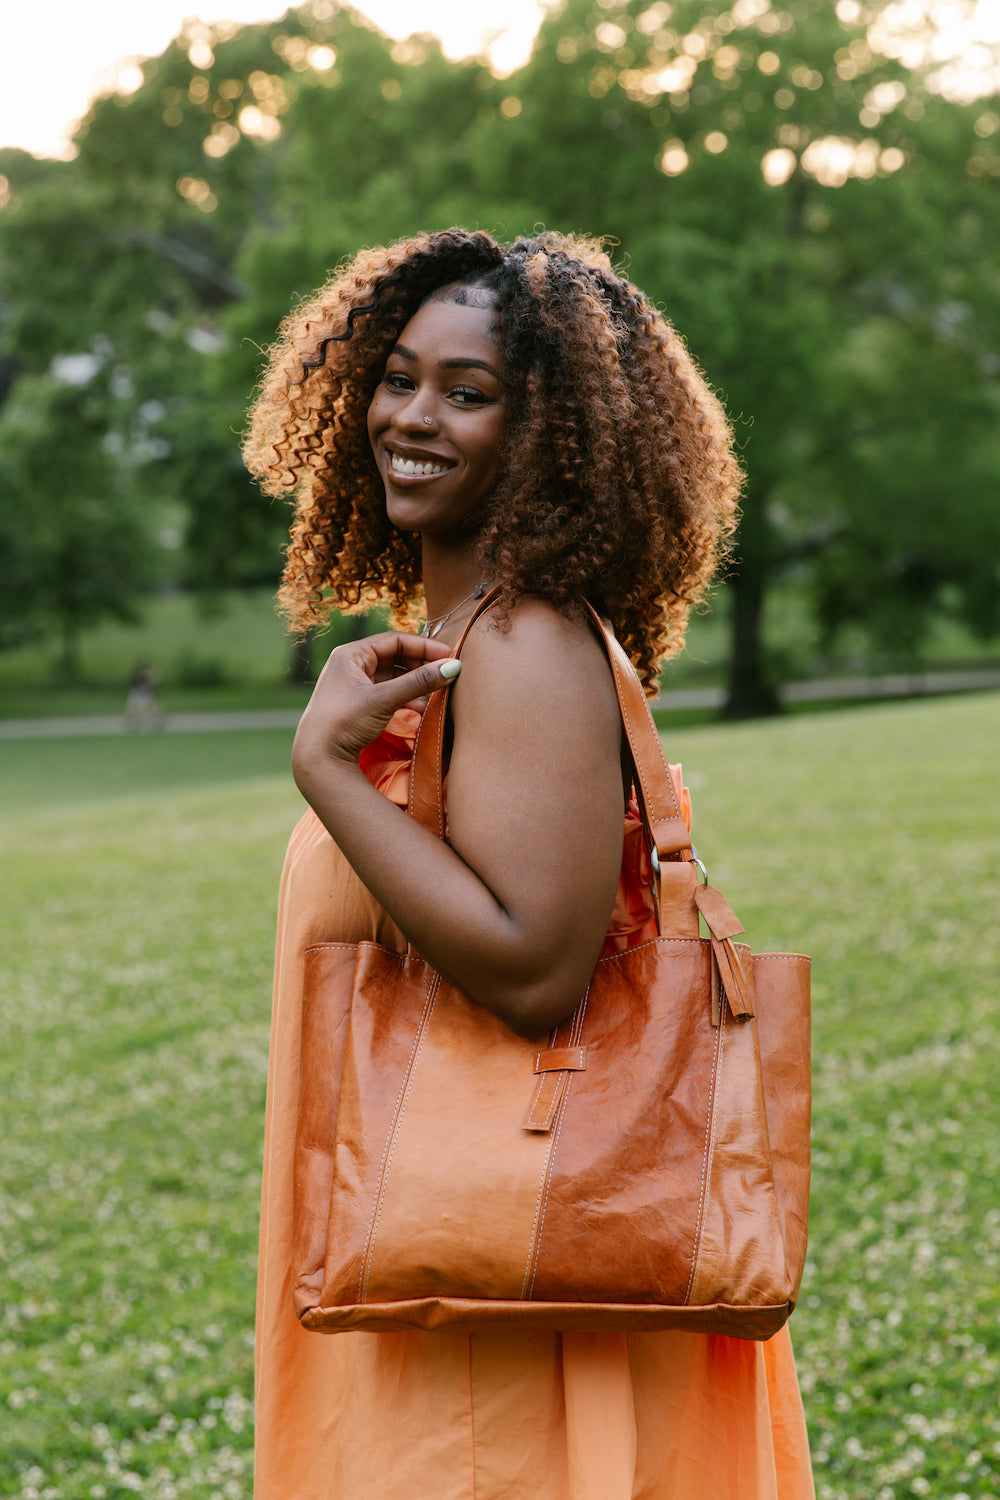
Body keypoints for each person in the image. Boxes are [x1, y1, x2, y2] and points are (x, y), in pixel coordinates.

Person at [244, 228, 814, 1499]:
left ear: (553, 434)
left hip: (509, 1289)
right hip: (441, 1245)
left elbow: (534, 969)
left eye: (469, 391)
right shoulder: (456, 644)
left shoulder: (530, 645)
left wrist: (331, 775)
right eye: (396, 377)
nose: (414, 416)